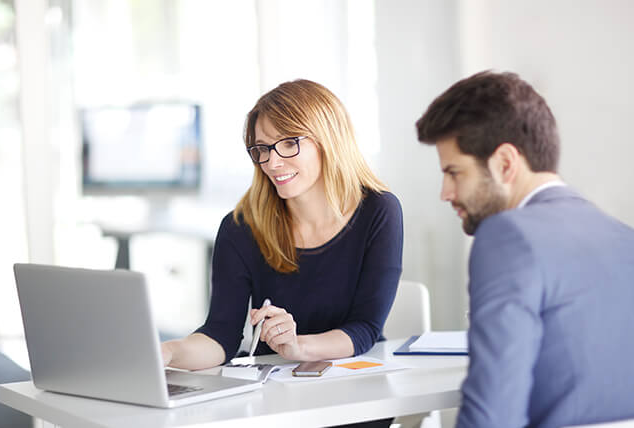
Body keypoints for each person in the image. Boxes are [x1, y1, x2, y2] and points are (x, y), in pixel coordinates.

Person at [415, 70, 634, 428]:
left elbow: (493, 416)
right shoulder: (625, 237)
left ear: (504, 164)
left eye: (454, 173)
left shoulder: (507, 236)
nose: (445, 193)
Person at [162, 79, 403, 379]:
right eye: (262, 148)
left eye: (289, 143)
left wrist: (297, 346)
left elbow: (365, 328)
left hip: (355, 385)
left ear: (328, 139)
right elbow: (221, 335)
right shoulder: (241, 227)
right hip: (274, 390)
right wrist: (169, 351)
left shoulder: (378, 211)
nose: (272, 162)